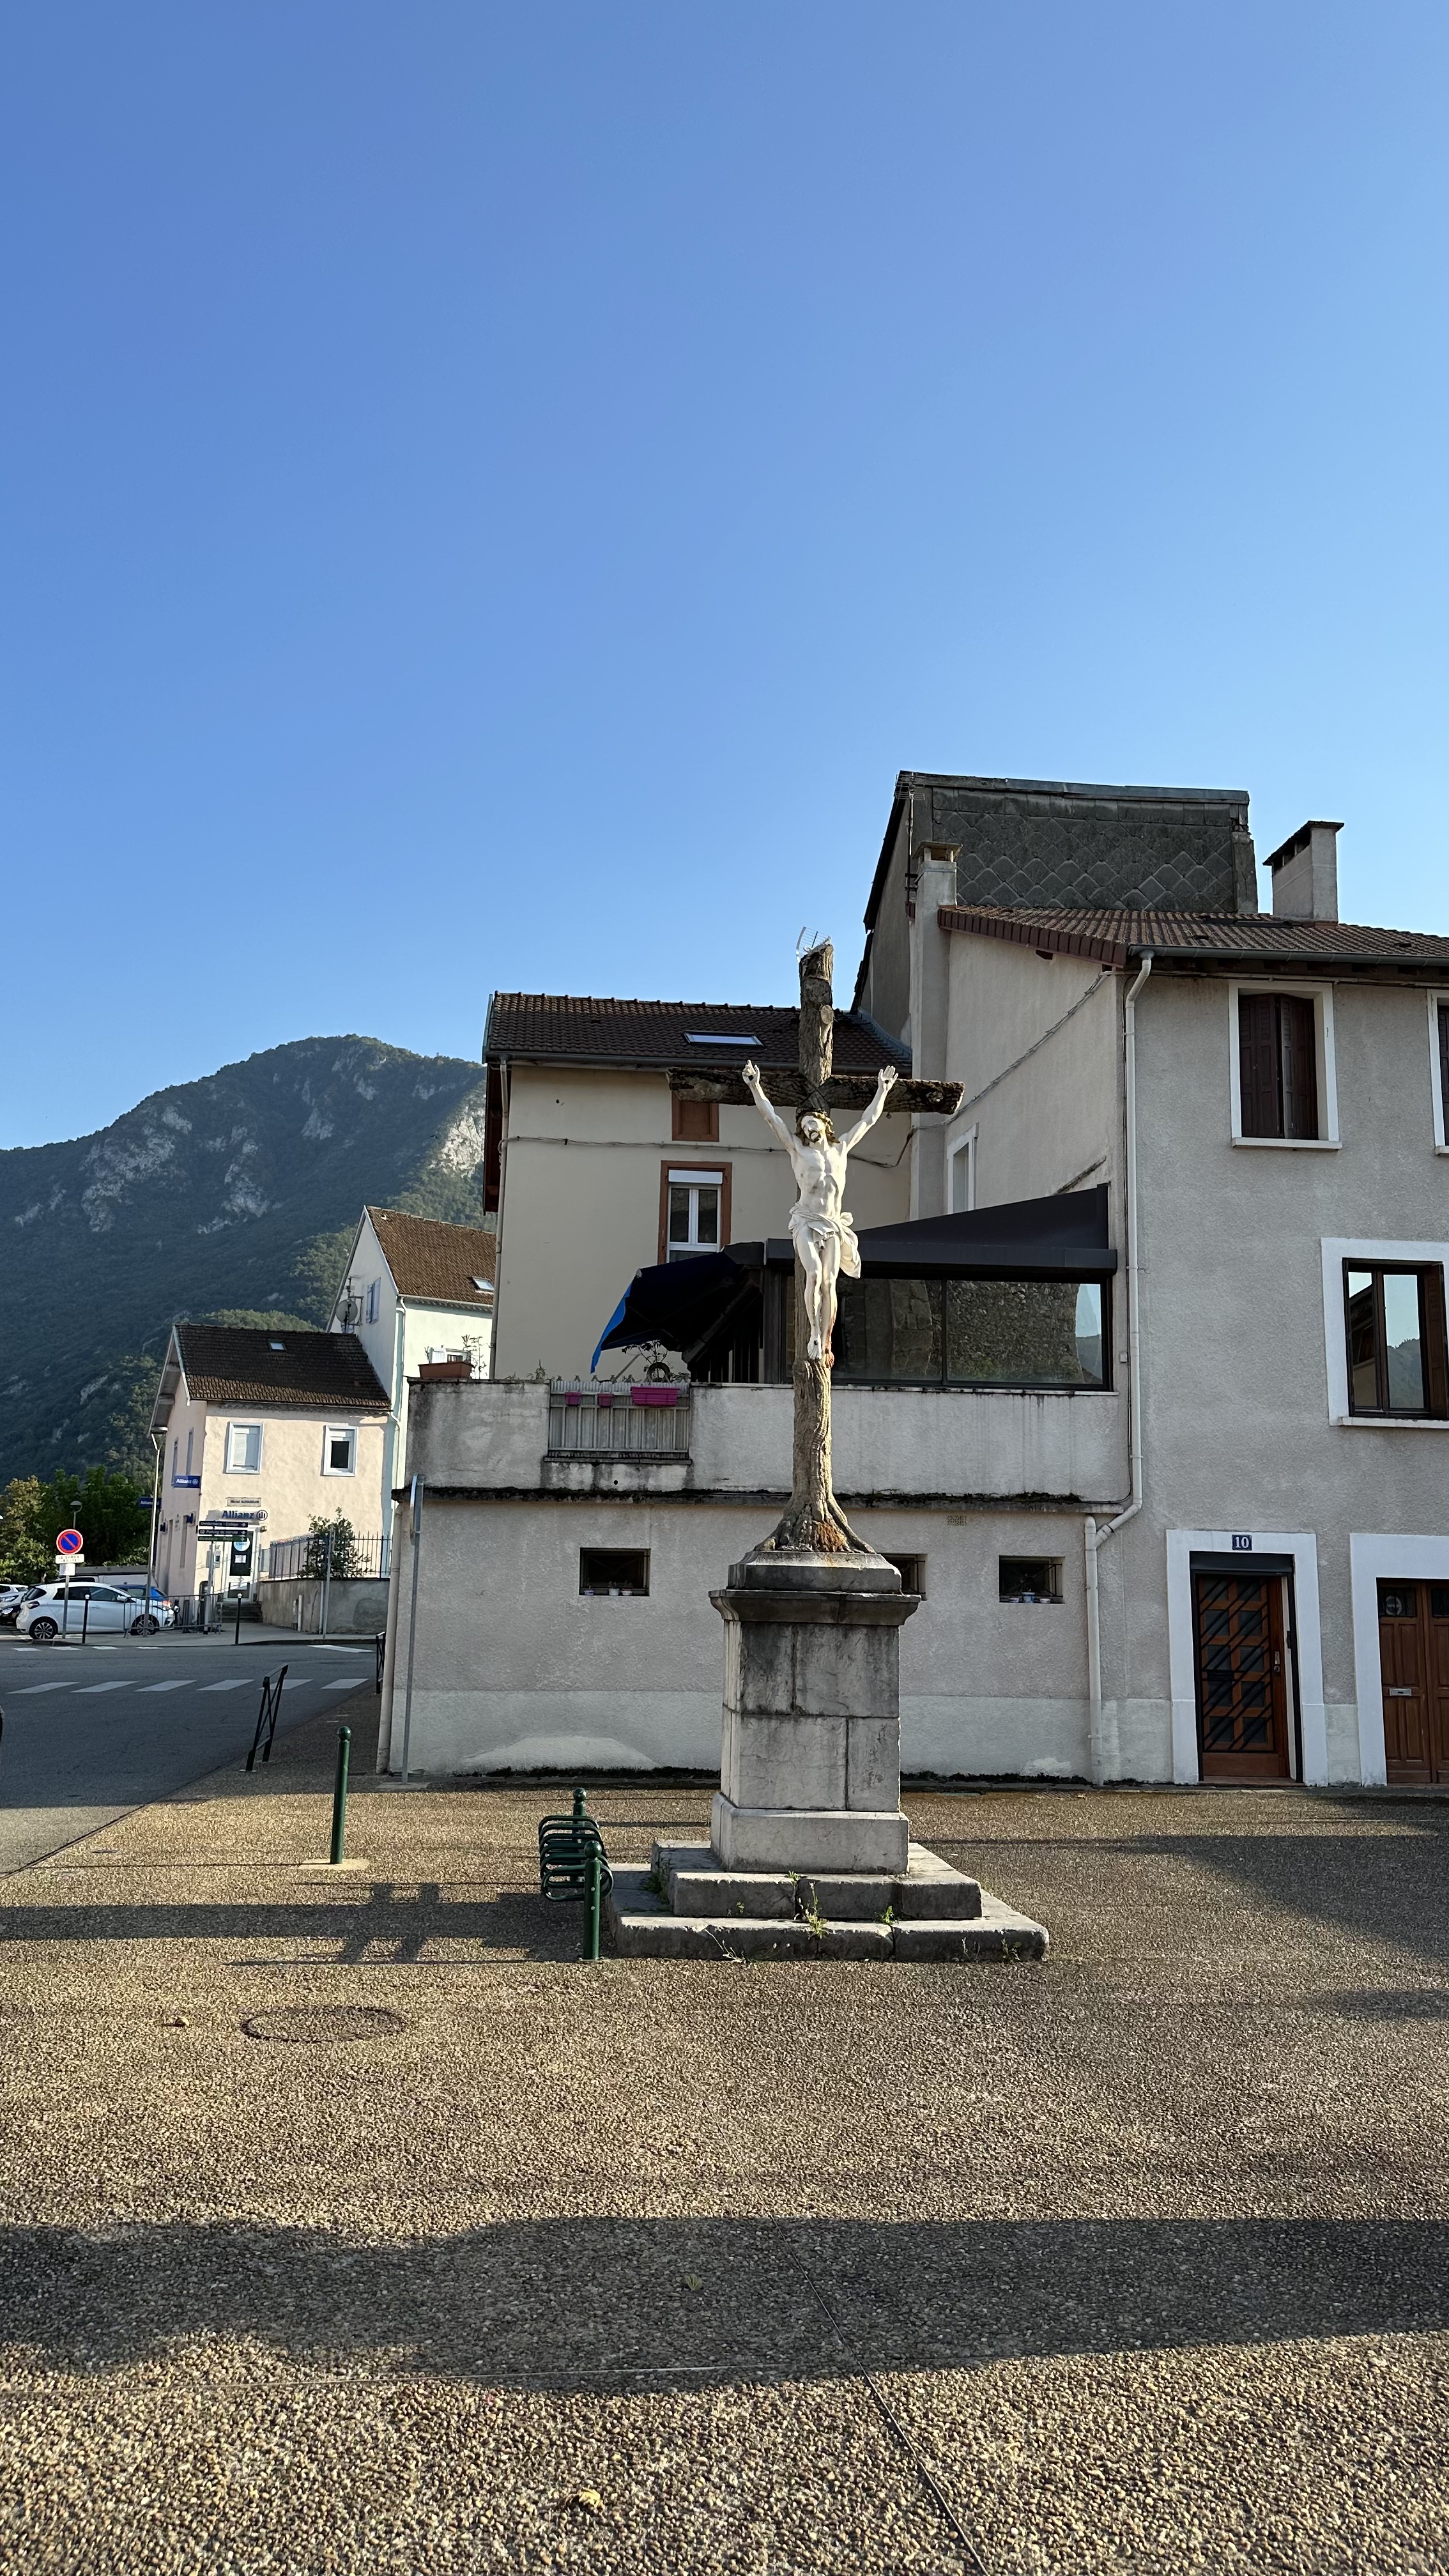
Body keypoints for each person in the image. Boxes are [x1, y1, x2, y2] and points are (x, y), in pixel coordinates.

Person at [741, 1059, 899, 1363]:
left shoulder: (841, 1149)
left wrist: (883, 1090)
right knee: (813, 1274)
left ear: (824, 1124)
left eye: (812, 1123)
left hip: (833, 1223)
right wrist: (755, 1086)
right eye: (803, 1126)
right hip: (806, 1220)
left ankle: (826, 1340)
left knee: (829, 1282)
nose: (808, 1128)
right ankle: (813, 1332)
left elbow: (868, 1121)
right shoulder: (797, 1151)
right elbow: (772, 1118)